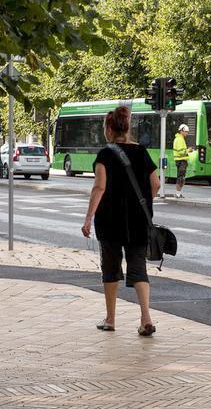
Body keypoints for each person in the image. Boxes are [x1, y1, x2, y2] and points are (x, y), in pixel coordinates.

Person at [82, 105, 159, 337]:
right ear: (127, 127)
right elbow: (155, 184)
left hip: (109, 220)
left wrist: (88, 218)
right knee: (138, 268)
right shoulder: (142, 152)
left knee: (111, 267)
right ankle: (146, 317)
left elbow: (99, 187)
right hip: (138, 221)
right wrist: (142, 203)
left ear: (108, 128)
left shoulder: (105, 154)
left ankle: (111, 318)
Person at [170, 124, 195, 198]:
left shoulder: (179, 138)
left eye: (187, 132)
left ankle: (178, 193)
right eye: (186, 132)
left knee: (181, 177)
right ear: (181, 131)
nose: (187, 133)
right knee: (181, 177)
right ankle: (178, 194)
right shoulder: (180, 139)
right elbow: (181, 152)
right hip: (181, 161)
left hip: (181, 161)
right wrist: (188, 150)